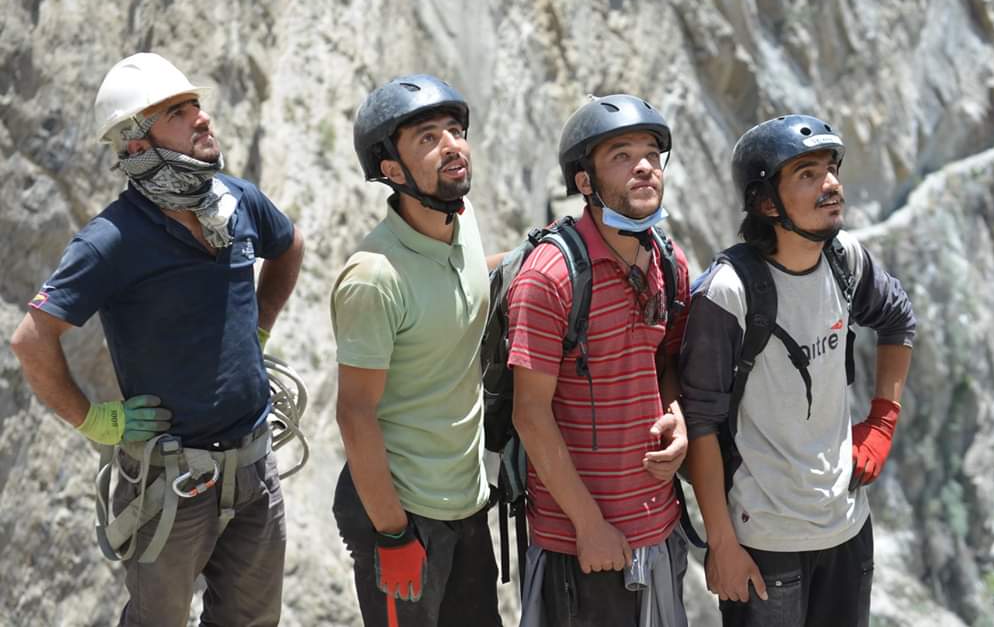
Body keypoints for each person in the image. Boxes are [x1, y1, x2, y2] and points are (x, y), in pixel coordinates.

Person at [9, 52, 304, 627]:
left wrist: (257, 329)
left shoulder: (237, 203)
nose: (202, 118)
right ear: (138, 144)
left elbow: (288, 246)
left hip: (253, 466)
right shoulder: (111, 242)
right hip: (172, 484)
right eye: (177, 111)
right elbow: (31, 340)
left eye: (197, 105)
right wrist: (98, 422)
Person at [680, 114, 917, 627]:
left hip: (848, 527)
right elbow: (700, 422)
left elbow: (898, 320)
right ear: (767, 202)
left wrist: (882, 422)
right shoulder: (728, 292)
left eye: (830, 169)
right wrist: (720, 544)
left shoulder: (843, 259)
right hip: (766, 538)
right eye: (807, 174)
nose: (831, 184)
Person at [507, 94, 692, 626]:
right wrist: (589, 525)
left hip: (660, 530)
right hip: (582, 548)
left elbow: (665, 365)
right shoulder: (552, 277)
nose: (644, 166)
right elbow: (530, 414)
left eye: (652, 154)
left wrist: (676, 416)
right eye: (621, 154)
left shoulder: (668, 263)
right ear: (584, 182)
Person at [331, 74, 501, 627]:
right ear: (391, 170)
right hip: (402, 518)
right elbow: (354, 414)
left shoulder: (462, 224)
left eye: (455, 130)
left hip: (465, 503)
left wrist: (543, 247)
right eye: (428, 138)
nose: (452, 145)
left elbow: (468, 284)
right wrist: (393, 534)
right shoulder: (374, 278)